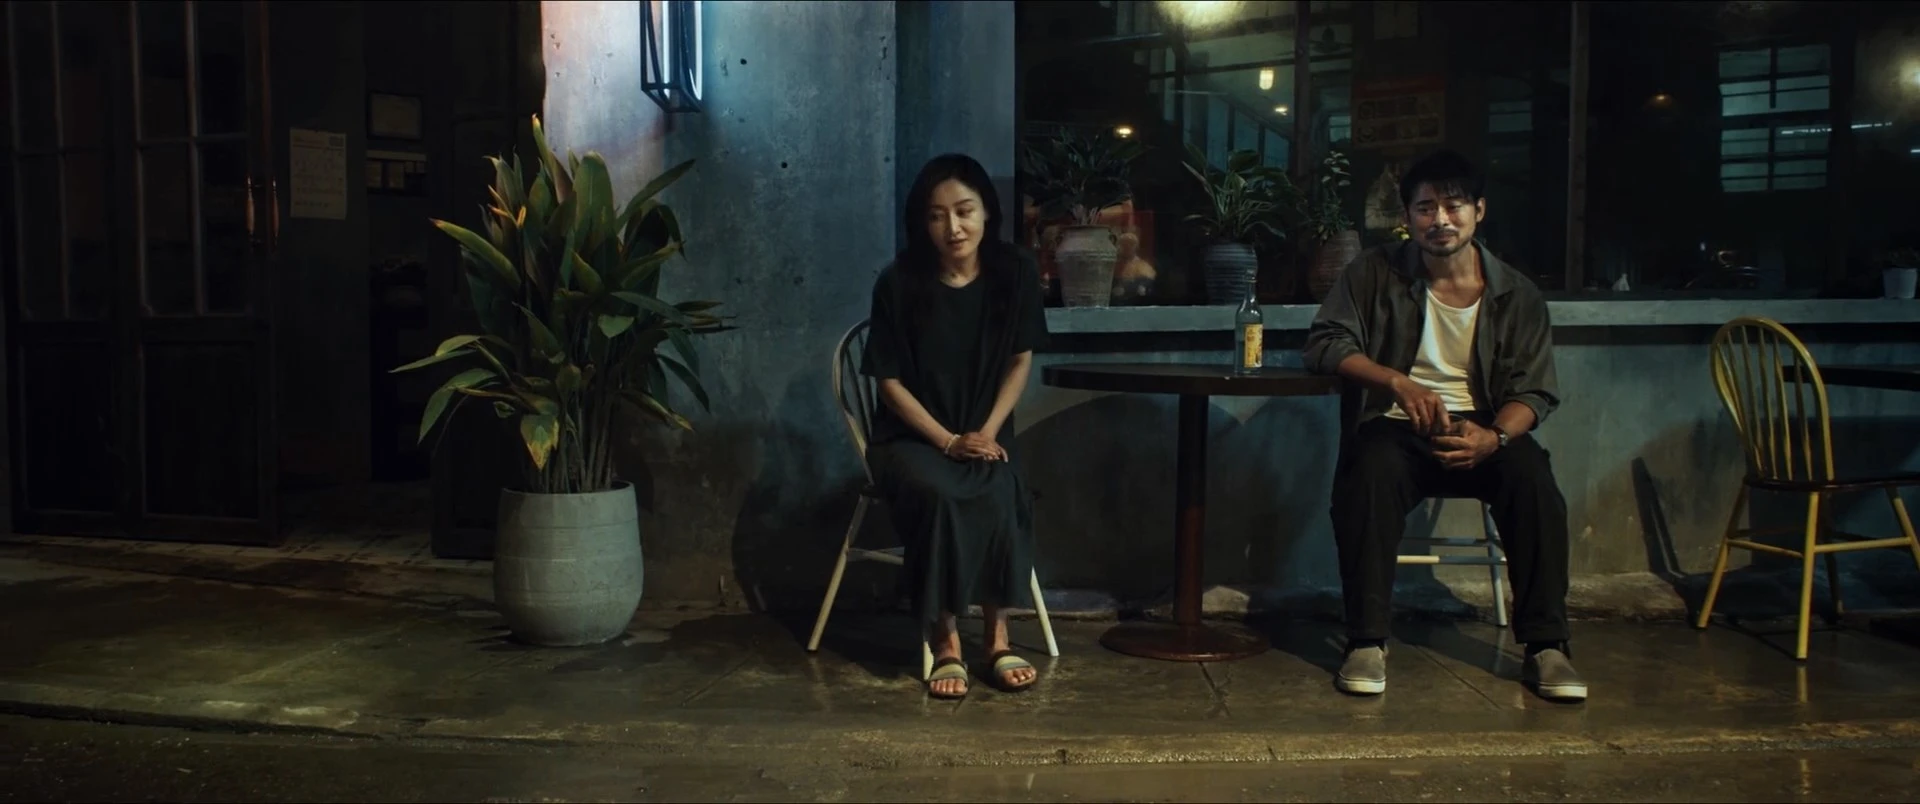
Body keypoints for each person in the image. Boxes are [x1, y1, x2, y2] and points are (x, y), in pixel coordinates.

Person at [1303, 149, 1586, 702]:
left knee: (1534, 482)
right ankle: (1366, 640)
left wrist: (1494, 437)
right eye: (1425, 207)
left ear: (1479, 211)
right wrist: (1397, 383)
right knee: (1368, 474)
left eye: (1453, 206)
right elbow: (1324, 344)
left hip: (1485, 426)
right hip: (1396, 422)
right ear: (1407, 216)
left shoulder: (1516, 293)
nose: (1440, 220)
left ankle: (1547, 646)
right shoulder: (1373, 272)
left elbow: (1535, 390)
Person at [861, 153, 1049, 699]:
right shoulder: (899, 282)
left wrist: (987, 432)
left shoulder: (1015, 273)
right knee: (942, 494)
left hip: (983, 430)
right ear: (922, 223)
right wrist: (946, 441)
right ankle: (945, 641)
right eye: (937, 215)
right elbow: (888, 383)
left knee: (999, 485)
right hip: (912, 439)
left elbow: (1019, 361)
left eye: (964, 211)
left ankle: (997, 638)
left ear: (987, 211)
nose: (953, 227)